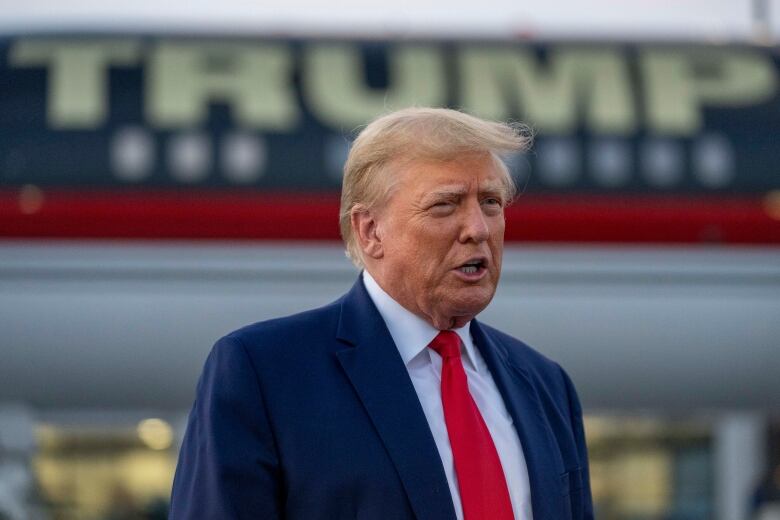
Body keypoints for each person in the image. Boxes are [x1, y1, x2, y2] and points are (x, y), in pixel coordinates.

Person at [169, 107, 593, 519]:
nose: (478, 228)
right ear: (370, 231)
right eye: (445, 205)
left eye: (491, 202)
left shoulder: (545, 385)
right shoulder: (263, 373)